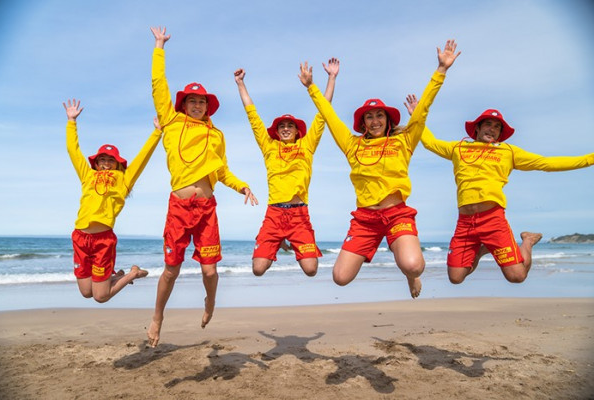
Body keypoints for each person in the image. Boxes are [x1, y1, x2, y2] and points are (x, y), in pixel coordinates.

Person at [298, 40, 460, 298]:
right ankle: (388, 254)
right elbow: (329, 116)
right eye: (369, 117)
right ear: (362, 122)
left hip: (397, 214)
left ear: (388, 120)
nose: (374, 121)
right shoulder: (352, 144)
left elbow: (422, 112)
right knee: (340, 278)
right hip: (366, 220)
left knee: (413, 264)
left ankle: (410, 276)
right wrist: (312, 88)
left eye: (379, 116)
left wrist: (441, 70)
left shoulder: (404, 140)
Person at [404, 95, 594, 284]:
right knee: (456, 278)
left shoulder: (508, 152)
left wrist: (590, 158)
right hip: (466, 222)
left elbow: (546, 163)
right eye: (488, 124)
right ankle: (481, 249)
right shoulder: (458, 148)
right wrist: (416, 116)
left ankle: (527, 240)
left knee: (517, 276)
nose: (492, 129)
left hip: (493, 220)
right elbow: (430, 142)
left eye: (497, 127)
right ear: (477, 128)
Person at [148, 26, 258, 348]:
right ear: (184, 104)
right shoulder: (171, 121)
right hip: (179, 208)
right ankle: (158, 317)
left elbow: (222, 171)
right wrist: (159, 47)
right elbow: (158, 85)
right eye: (192, 101)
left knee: (209, 272)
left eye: (202, 102)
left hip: (207, 208)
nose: (197, 105)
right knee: (171, 270)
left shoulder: (217, 135)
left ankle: (210, 302)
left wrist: (241, 187)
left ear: (208, 106)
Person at [233, 58, 340, 277]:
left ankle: (286, 239)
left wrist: (331, 78)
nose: (285, 129)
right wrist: (241, 84)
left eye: (290, 125)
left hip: (300, 214)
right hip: (274, 213)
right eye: (281, 126)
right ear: (276, 131)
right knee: (258, 269)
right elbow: (252, 115)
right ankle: (277, 240)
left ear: (297, 130)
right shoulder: (268, 146)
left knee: (311, 270)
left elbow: (323, 114)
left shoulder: (307, 145)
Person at [64, 98, 159, 303]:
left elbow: (142, 158)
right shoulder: (87, 175)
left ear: (117, 164)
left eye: (110, 160)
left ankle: (132, 273)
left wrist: (157, 133)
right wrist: (72, 122)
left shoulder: (123, 180)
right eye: (102, 160)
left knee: (100, 296)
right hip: (80, 238)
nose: (106, 163)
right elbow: (73, 151)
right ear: (96, 163)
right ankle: (115, 276)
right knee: (86, 292)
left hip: (102, 241)